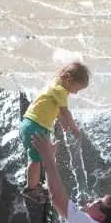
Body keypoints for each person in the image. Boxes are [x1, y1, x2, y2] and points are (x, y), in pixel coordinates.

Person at [20, 62, 90, 203]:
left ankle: (37, 185)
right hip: (35, 126)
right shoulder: (60, 90)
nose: (76, 93)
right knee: (35, 159)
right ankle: (31, 189)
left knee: (41, 156)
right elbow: (65, 111)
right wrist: (74, 128)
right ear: (69, 79)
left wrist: (63, 123)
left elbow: (56, 110)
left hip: (34, 125)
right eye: (76, 89)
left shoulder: (55, 85)